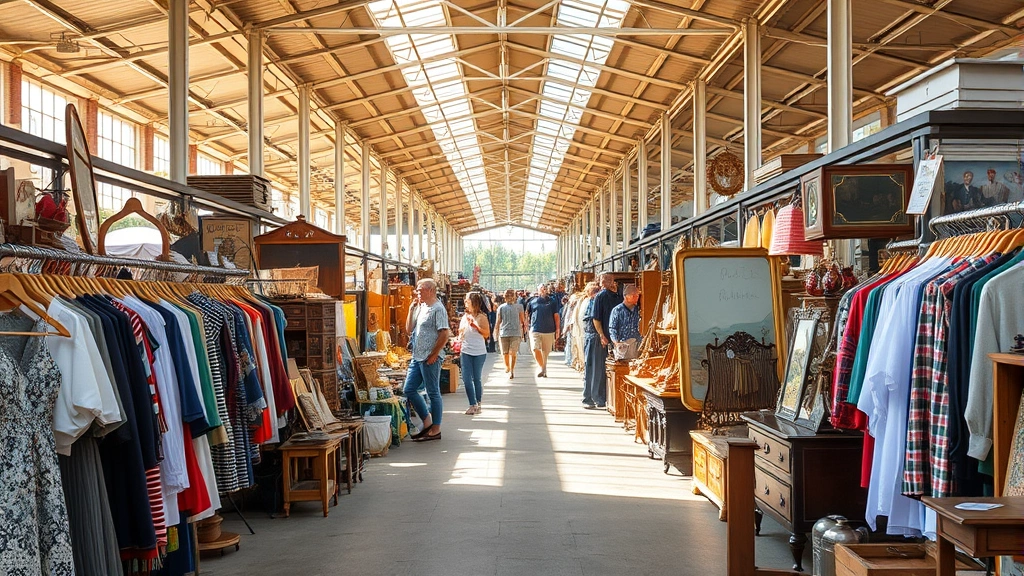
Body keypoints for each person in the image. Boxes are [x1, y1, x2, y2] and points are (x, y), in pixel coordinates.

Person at [403, 279, 450, 441]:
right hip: (418, 356)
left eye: (420, 289)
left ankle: (436, 428)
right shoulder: (422, 307)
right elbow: (409, 329)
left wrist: (434, 354)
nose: (417, 292)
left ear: (430, 290)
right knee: (408, 389)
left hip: (430, 357)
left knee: (433, 392)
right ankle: (427, 420)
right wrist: (411, 309)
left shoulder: (438, 309)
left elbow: (444, 333)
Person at [583, 272, 622, 409]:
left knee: (601, 368)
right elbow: (596, 318)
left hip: (609, 338)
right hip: (598, 337)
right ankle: (590, 398)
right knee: (595, 368)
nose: (606, 282)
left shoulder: (617, 296)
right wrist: (601, 335)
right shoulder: (600, 297)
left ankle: (601, 398)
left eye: (609, 279)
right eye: (604, 279)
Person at [457, 292, 490, 415]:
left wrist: (475, 326)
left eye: (467, 300)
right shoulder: (464, 317)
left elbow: (486, 334)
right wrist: (459, 335)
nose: (465, 302)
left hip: (479, 352)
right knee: (466, 378)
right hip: (465, 350)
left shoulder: (482, 317)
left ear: (473, 302)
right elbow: (461, 331)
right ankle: (472, 404)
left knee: (476, 378)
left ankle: (478, 403)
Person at [526, 283, 560, 378]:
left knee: (546, 352)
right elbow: (527, 314)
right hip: (535, 329)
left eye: (545, 288)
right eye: (541, 288)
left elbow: (556, 316)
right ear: (538, 290)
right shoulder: (532, 301)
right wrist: (525, 326)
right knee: (535, 348)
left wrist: (558, 329)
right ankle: (542, 368)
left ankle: (543, 369)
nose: (543, 290)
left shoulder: (552, 301)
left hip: (549, 330)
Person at [495, 288, 527, 379]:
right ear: (504, 297)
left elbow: (522, 320)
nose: (510, 297)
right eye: (507, 295)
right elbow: (498, 321)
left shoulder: (519, 307)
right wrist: (495, 332)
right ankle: (507, 366)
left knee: (513, 352)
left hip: (516, 333)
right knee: (505, 353)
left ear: (515, 297)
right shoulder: (501, 307)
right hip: (503, 333)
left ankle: (512, 370)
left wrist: (524, 331)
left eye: (511, 295)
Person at [608, 285, 642, 360]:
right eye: (633, 296)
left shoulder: (638, 310)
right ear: (626, 296)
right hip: (623, 345)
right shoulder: (617, 310)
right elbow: (612, 328)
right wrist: (616, 343)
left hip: (636, 344)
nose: (636, 298)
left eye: (637, 296)